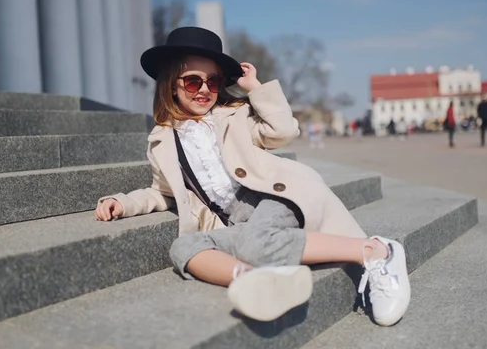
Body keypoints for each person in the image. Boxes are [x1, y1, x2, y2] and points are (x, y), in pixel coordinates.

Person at [94, 27, 410, 326]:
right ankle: (259, 281)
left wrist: (256, 89)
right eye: (192, 81)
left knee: (259, 242)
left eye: (213, 82)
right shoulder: (162, 140)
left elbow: (283, 131)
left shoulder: (236, 115)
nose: (204, 90)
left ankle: (378, 252)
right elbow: (162, 192)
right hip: (234, 221)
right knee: (183, 248)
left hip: (271, 197)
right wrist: (123, 203)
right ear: (171, 85)